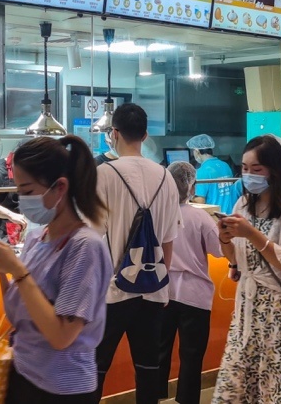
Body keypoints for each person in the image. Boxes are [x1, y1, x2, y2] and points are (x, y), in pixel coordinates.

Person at [0, 135, 111, 403]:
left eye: (28, 191)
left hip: (62, 387)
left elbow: (61, 336)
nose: (21, 201)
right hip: (24, 371)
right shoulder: (37, 238)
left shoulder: (85, 247)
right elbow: (19, 312)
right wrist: (1, 269)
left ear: (60, 187)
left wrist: (18, 271)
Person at [212, 135, 281, 403]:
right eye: (244, 169)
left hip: (280, 314)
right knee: (232, 390)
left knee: (276, 391)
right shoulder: (244, 206)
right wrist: (224, 238)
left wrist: (252, 234)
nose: (248, 175)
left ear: (274, 170)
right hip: (246, 310)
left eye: (256, 169)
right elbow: (235, 258)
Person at [94, 103, 180, 404]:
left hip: (110, 291)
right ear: (144, 135)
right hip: (152, 291)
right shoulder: (166, 176)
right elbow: (169, 239)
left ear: (113, 133)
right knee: (148, 369)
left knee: (95, 368)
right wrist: (162, 283)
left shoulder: (103, 174)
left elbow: (91, 236)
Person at [158, 161, 223, 404]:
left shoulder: (156, 215)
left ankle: (155, 396)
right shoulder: (201, 218)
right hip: (194, 297)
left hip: (162, 293)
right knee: (192, 356)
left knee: (159, 352)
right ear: (191, 185)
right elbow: (220, 251)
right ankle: (186, 399)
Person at [188, 134, 235, 212]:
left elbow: (200, 201)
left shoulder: (202, 172)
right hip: (230, 215)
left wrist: (188, 200)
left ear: (197, 151)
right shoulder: (225, 166)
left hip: (215, 217)